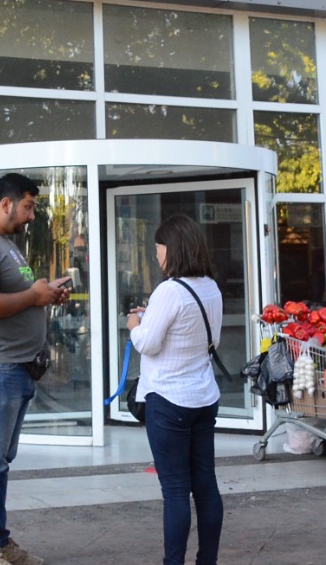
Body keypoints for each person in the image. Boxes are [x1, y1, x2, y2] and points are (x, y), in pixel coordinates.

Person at [0, 172, 71, 565]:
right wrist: (34, 296)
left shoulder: (4, 243)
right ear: (6, 203)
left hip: (14, 367)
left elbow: (16, 295)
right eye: (28, 207)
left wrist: (45, 293)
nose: (31, 216)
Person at [127, 215, 223, 565]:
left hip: (168, 401)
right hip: (204, 397)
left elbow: (147, 344)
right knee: (206, 486)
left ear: (173, 249)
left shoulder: (169, 290)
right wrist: (153, 316)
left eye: (158, 247)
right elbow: (211, 338)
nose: (156, 255)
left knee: (176, 491)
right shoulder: (211, 287)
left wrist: (135, 324)